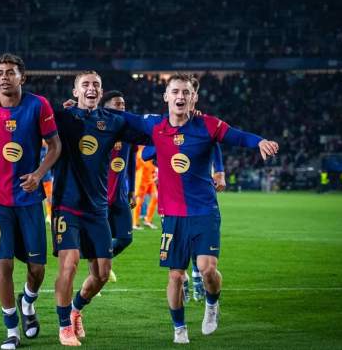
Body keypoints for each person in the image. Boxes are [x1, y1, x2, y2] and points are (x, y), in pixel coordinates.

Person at [112, 73, 278, 344]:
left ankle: (212, 304)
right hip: (172, 214)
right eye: (175, 91)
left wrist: (259, 141)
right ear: (166, 96)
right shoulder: (154, 126)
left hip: (204, 210)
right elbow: (122, 117)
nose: (180, 96)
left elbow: (236, 136)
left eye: (186, 93)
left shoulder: (207, 125)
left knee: (207, 268)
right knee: (176, 275)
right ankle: (179, 328)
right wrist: (85, 107)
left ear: (194, 98)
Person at [0, 71, 147, 346]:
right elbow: (23, 114)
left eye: (96, 84)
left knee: (102, 274)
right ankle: (64, 327)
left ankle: (75, 310)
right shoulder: (60, 118)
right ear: (75, 92)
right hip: (66, 205)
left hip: (97, 209)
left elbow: (151, 134)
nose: (91, 88)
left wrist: (183, 122)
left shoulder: (113, 122)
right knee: (69, 264)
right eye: (85, 84)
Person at [0, 53, 61, 350]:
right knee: (3, 263)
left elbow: (55, 145)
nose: (4, 77)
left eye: (10, 72)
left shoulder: (38, 105)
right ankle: (12, 330)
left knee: (37, 269)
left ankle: (28, 303)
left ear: (22, 77)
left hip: (30, 198)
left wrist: (39, 174)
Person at [101, 91, 137, 283]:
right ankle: (98, 272)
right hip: (99, 196)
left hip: (121, 195)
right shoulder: (97, 128)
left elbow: (131, 162)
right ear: (105, 107)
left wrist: (132, 190)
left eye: (123, 104)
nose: (122, 107)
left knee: (125, 238)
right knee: (102, 238)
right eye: (117, 104)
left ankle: (102, 261)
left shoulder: (128, 131)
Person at [133, 146, 158, 229]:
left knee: (155, 197)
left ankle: (148, 219)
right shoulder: (141, 150)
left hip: (150, 179)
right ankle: (135, 223)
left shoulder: (150, 147)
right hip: (141, 179)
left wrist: (155, 171)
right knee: (139, 201)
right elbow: (143, 162)